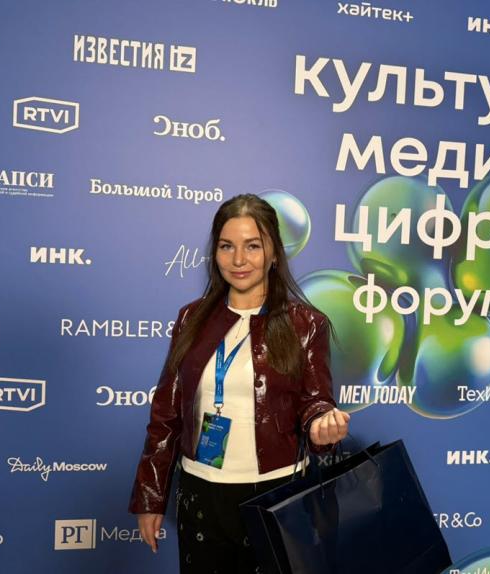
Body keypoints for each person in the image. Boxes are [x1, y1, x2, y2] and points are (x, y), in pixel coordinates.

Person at [128, 193, 350, 573]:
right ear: (215, 253)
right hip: (200, 494)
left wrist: (322, 424)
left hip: (276, 495)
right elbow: (165, 417)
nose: (239, 260)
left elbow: (316, 401)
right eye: (227, 246)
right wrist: (151, 496)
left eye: (253, 246)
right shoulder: (191, 318)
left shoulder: (307, 324)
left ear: (274, 253)